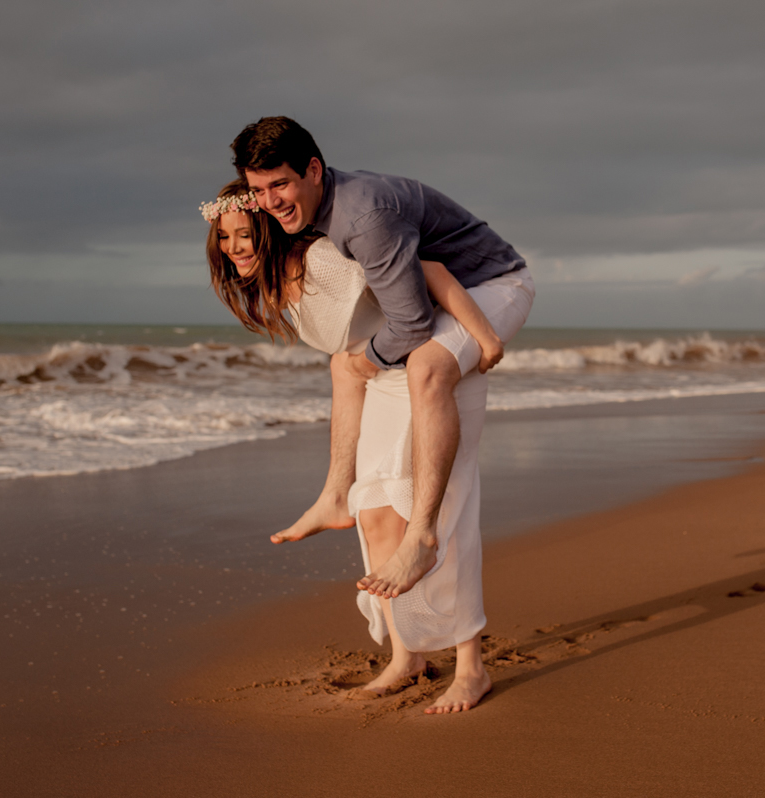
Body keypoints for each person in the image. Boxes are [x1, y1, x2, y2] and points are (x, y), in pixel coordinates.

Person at [203, 179, 522, 712]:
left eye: (243, 234)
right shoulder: (276, 281)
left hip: (429, 369)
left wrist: (484, 336)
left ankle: (471, 666)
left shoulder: (323, 260)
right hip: (383, 379)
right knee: (374, 515)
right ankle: (407, 656)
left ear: (267, 230)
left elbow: (430, 271)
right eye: (224, 238)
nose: (234, 247)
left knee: (440, 512)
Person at [231, 117, 534, 601]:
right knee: (344, 364)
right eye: (259, 190)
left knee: (425, 366)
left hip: (492, 285)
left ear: (313, 170)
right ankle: (334, 495)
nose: (270, 202)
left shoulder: (361, 218)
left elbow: (412, 326)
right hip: (444, 292)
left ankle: (422, 537)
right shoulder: (314, 205)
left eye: (280, 184)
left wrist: (365, 361)